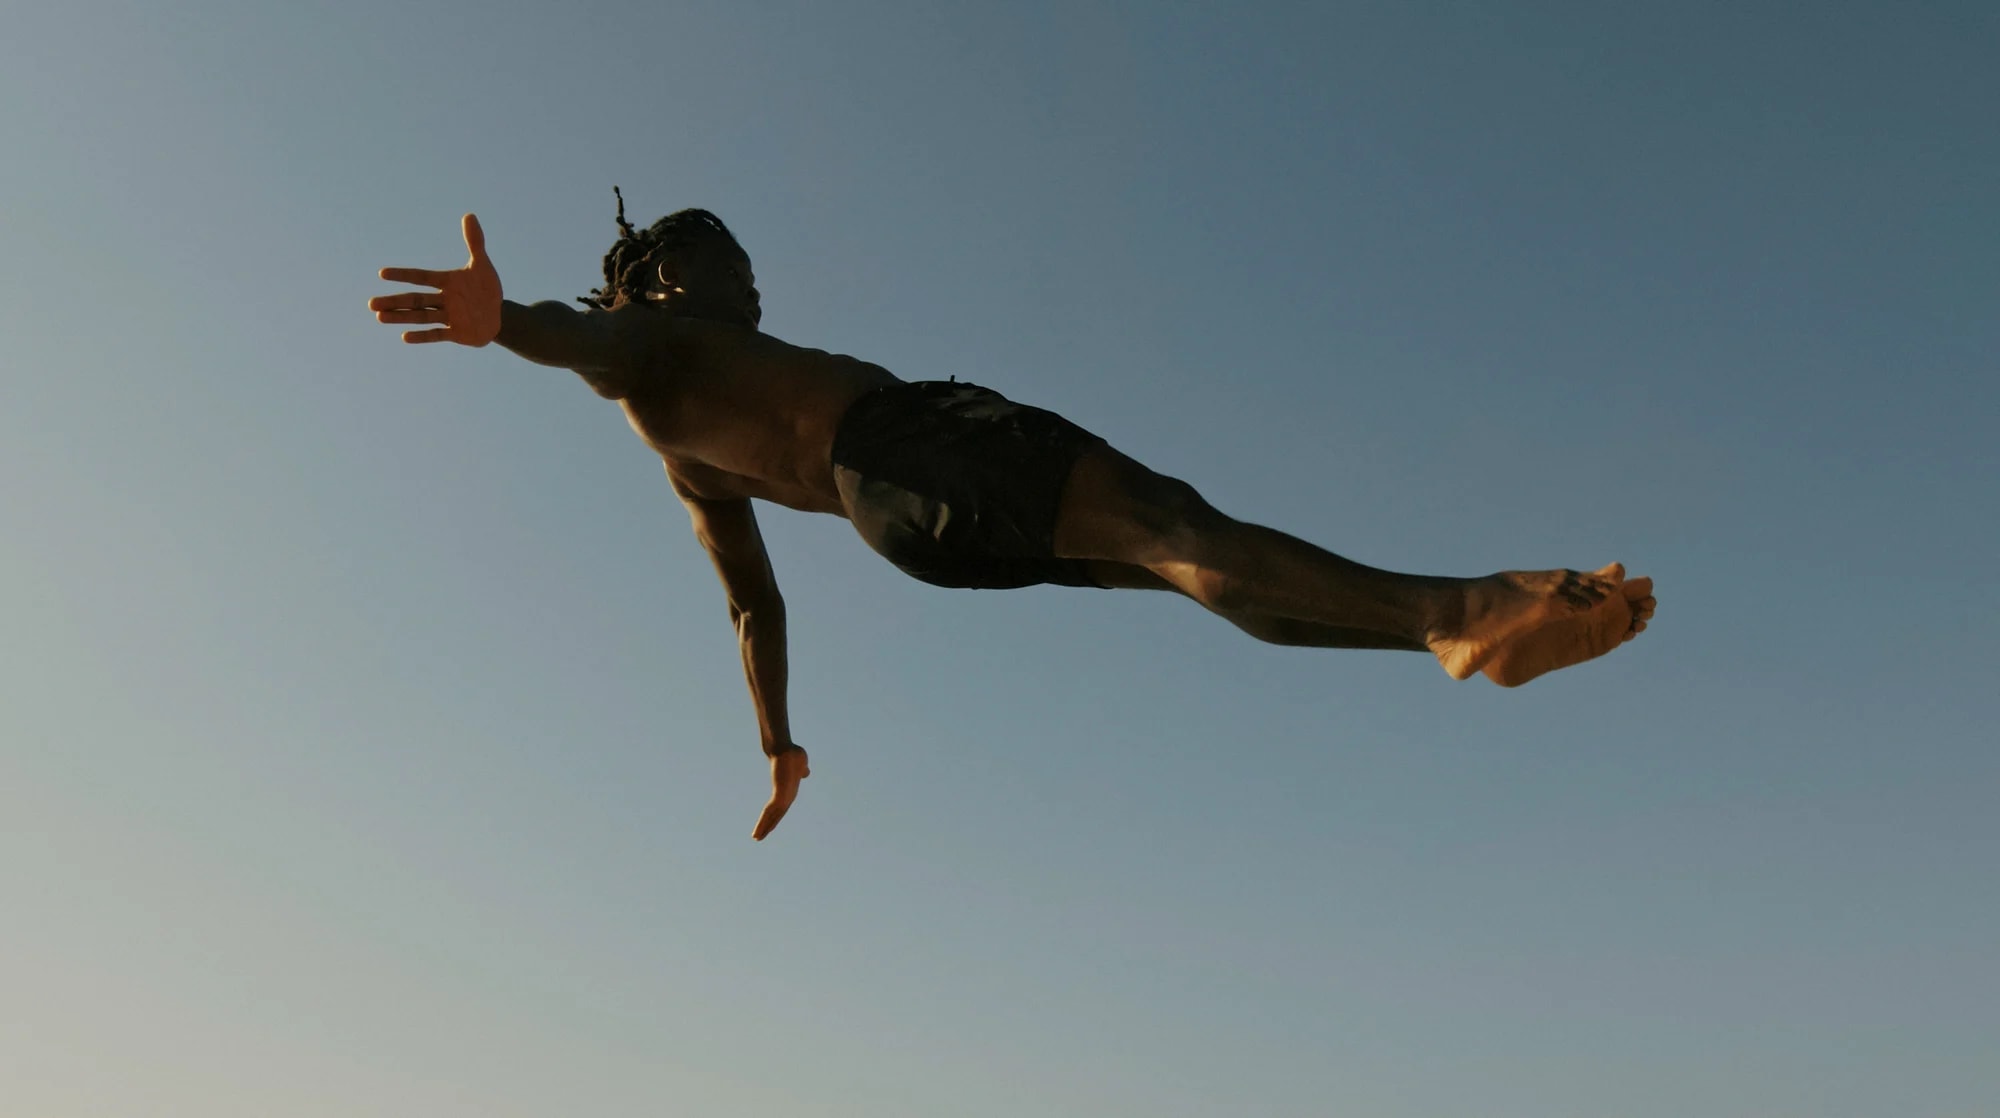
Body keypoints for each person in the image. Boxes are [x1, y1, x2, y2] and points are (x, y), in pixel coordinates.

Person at [369, 195, 1656, 841]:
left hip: (908, 528)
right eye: (729, 263)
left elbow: (752, 602)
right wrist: (505, 322)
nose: (749, 284)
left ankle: (1445, 634)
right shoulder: (655, 341)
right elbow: (588, 342)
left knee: (1178, 561)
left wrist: (779, 742)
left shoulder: (682, 454)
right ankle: (1458, 609)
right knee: (1174, 523)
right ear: (659, 275)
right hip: (912, 444)